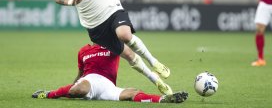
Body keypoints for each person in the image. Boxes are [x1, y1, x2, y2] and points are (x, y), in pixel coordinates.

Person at [32, 44, 188, 103]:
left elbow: (129, 46)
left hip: (108, 86)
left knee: (132, 93)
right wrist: (75, 84)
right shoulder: (84, 51)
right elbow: (80, 73)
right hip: (90, 81)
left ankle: (163, 99)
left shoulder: (113, 45)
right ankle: (48, 93)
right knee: (78, 89)